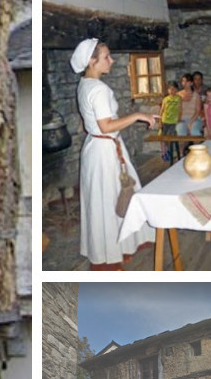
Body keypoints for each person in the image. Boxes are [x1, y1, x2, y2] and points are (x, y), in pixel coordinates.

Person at [72, 39, 157, 268]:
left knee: (110, 198)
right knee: (111, 200)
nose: (112, 60)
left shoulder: (85, 84)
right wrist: (138, 115)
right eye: (106, 57)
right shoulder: (98, 89)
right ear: (92, 61)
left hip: (97, 147)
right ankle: (111, 253)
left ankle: (118, 246)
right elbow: (106, 126)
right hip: (103, 150)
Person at [160, 80, 183, 162]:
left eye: (173, 89)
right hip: (165, 120)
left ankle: (170, 152)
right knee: (163, 138)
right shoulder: (165, 99)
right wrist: (160, 121)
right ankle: (164, 152)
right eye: (170, 89)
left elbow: (180, 110)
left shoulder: (178, 98)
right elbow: (162, 110)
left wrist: (179, 119)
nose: (172, 91)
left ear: (177, 90)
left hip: (174, 121)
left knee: (170, 137)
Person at [178, 73, 202, 140]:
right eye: (183, 81)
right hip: (182, 119)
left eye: (186, 81)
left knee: (194, 130)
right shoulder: (178, 95)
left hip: (195, 119)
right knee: (181, 131)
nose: (184, 83)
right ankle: (181, 150)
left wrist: (191, 122)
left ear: (191, 83)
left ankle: (196, 149)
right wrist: (179, 119)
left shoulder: (196, 95)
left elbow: (198, 111)